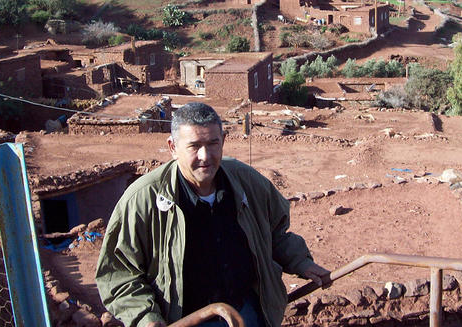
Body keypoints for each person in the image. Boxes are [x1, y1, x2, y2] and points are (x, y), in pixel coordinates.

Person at [96, 102, 329, 327]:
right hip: (186, 319)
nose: (205, 156)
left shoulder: (246, 181)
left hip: (247, 311)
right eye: (194, 146)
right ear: (172, 147)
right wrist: (146, 317)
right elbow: (119, 274)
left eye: (213, 143)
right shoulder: (144, 198)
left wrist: (299, 261)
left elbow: (275, 233)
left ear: (224, 141)